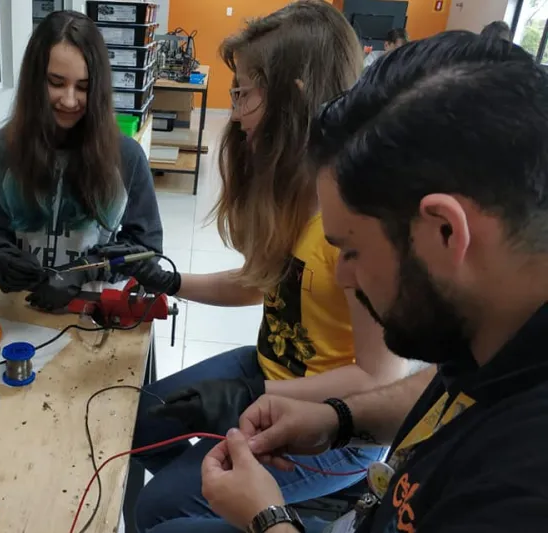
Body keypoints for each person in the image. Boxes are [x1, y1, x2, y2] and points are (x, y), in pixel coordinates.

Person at [201, 31, 548, 533]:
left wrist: (270, 520)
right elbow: (453, 383)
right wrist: (338, 419)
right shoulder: (499, 326)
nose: (343, 274)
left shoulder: (520, 491)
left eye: (353, 250)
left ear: (446, 231)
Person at [101, 3, 407, 532]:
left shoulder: (353, 216)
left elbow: (379, 377)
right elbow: (264, 282)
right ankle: (202, 476)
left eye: (242, 92)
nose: (235, 110)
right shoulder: (294, 188)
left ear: (292, 94)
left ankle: (229, 494)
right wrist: (172, 280)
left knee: (160, 507)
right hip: (265, 368)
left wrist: (252, 399)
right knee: (137, 423)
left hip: (335, 421)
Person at [0, 10, 162, 311]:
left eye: (83, 87)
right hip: (20, 309)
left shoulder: (127, 158)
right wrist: (1, 260)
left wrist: (90, 269)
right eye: (56, 83)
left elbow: (147, 249)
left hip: (95, 312)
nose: (69, 100)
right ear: (34, 82)